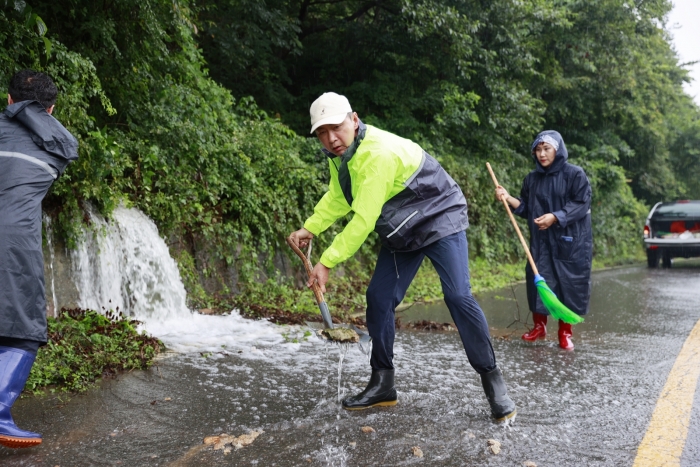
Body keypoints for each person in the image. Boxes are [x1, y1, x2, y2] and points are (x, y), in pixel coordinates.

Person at [288, 92, 516, 421]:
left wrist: (326, 262)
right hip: (402, 229)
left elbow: (364, 219)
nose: (331, 139)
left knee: (457, 296)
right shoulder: (340, 155)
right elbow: (340, 196)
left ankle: (493, 380)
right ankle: (383, 384)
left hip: (440, 217)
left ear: (354, 119)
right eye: (322, 133)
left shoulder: (376, 154)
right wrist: (311, 227)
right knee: (379, 297)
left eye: (336, 128)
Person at [0, 70, 78, 448]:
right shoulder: (59, 146)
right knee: (23, 326)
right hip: (14, 241)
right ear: (50, 109)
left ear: (9, 100)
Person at [494, 130, 592, 350]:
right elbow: (526, 208)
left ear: (557, 150)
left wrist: (556, 217)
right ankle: (539, 327)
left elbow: (581, 204)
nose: (541, 154)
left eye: (546, 149)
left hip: (570, 242)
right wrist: (508, 198)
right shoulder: (532, 178)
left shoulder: (575, 175)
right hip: (541, 241)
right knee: (538, 280)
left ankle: (565, 332)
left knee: (568, 285)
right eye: (537, 150)